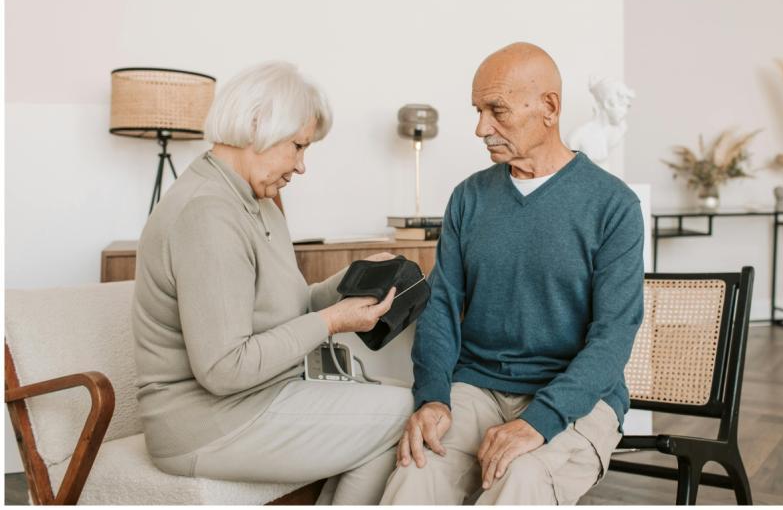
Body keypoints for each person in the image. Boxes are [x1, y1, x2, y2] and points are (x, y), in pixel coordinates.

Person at [132, 61, 413, 504]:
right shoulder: (208, 214)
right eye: (298, 146)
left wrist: (354, 276)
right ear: (257, 126)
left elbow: (286, 306)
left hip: (260, 397)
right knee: (403, 413)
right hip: (206, 423)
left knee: (397, 400)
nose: (301, 167)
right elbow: (224, 369)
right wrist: (332, 322)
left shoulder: (255, 201)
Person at [380, 43, 644, 505]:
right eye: (478, 111)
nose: (482, 128)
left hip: (574, 396)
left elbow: (613, 336)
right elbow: (440, 307)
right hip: (478, 386)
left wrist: (540, 420)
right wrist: (433, 398)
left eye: (496, 110)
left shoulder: (613, 205)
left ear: (550, 107)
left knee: (519, 476)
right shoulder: (469, 198)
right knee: (415, 468)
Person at [567, 77, 636, 173]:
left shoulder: (620, 129)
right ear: (608, 104)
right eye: (623, 105)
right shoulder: (578, 136)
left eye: (627, 106)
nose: (625, 112)